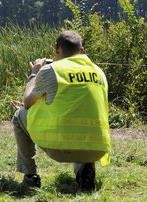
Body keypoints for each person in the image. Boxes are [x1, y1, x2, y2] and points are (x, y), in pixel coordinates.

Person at [11, 31, 111, 192]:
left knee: (19, 115)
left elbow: (27, 103)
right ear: (82, 51)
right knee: (83, 121)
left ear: (57, 48)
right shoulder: (99, 73)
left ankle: (31, 178)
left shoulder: (51, 70)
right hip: (96, 149)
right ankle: (85, 176)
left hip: (61, 150)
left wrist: (34, 73)